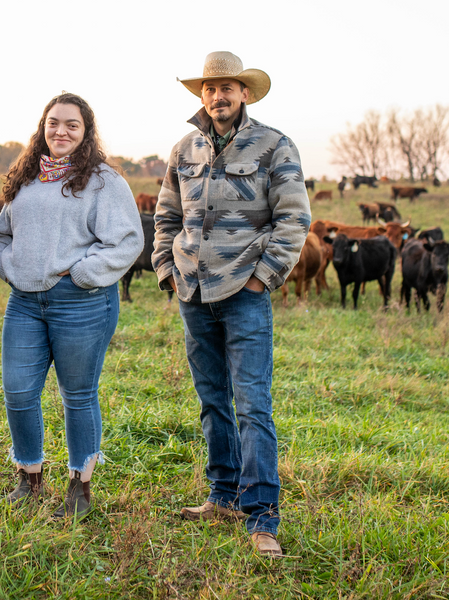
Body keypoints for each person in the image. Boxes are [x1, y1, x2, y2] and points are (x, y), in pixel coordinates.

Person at [152, 52, 310, 556]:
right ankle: (222, 496)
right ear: (202, 96)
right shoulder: (185, 148)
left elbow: (293, 219)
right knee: (212, 401)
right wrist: (165, 268)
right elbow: (166, 215)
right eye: (209, 88)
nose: (218, 96)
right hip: (192, 291)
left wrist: (263, 278)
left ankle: (262, 516)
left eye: (227, 88)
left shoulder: (273, 145)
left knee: (252, 405)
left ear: (245, 93)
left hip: (244, 291)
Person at [0, 93, 142, 519]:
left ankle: (80, 485)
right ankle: (30, 476)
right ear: (43, 127)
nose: (61, 132)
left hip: (81, 303)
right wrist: (6, 264)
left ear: (86, 131)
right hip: (24, 303)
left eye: (72, 125)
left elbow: (127, 240)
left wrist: (81, 274)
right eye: (53, 123)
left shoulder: (103, 181)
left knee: (76, 394)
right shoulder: (26, 177)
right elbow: (1, 235)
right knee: (18, 392)